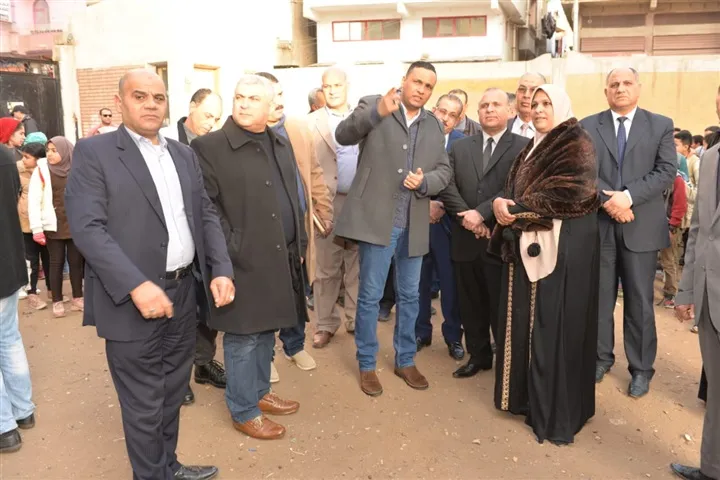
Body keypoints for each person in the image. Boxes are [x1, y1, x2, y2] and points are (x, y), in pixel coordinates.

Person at [65, 69, 234, 480]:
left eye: (158, 98)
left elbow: (205, 213)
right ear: (120, 102)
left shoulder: (183, 154)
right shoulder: (95, 152)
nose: (151, 105)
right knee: (143, 403)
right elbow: (87, 228)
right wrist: (136, 285)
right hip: (131, 301)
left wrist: (220, 268)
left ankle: (168, 467)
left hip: (183, 293)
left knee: (172, 393)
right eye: (139, 96)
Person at [191, 74, 305, 441]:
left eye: (254, 98)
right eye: (239, 96)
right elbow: (206, 209)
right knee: (243, 335)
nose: (243, 103)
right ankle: (243, 410)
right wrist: (230, 251)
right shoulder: (209, 147)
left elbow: (292, 196)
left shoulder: (279, 142)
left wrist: (299, 246)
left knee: (267, 330)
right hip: (239, 259)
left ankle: (258, 391)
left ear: (271, 105)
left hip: (280, 255)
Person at [490, 84, 600, 445]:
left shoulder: (576, 141)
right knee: (530, 324)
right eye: (534, 103)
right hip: (531, 243)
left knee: (553, 328)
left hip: (563, 250)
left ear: (561, 106)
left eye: (546, 103)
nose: (538, 109)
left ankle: (553, 412)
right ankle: (526, 399)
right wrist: (501, 204)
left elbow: (572, 193)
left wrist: (514, 209)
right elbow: (513, 191)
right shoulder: (532, 147)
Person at [334, 60, 452, 396]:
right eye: (417, 82)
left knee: (411, 296)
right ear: (404, 80)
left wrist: (426, 182)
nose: (421, 90)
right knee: (370, 296)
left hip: (414, 224)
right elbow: (343, 134)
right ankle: (367, 364)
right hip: (378, 221)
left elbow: (444, 170)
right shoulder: (376, 104)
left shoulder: (434, 125)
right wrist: (376, 113)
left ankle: (405, 360)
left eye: (428, 86)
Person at [582, 67, 677, 398]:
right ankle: (600, 358)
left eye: (626, 83)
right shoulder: (588, 126)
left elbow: (666, 171)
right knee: (599, 299)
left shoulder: (660, 125)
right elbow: (583, 171)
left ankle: (640, 369)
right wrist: (609, 201)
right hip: (600, 226)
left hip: (642, 227)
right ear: (606, 91)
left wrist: (628, 196)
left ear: (638, 87)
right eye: (614, 84)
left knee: (639, 302)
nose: (620, 88)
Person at [440, 88, 529, 378]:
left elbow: (516, 188)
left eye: (496, 104)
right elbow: (447, 185)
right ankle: (478, 356)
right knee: (470, 303)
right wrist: (468, 217)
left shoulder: (523, 147)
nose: (489, 109)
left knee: (501, 306)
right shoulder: (460, 147)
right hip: (465, 237)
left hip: (501, 241)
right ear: (476, 113)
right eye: (484, 105)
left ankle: (506, 362)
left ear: (510, 111)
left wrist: (481, 213)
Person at [256, 71, 333, 378]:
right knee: (264, 296)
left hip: (296, 232)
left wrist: (323, 209)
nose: (279, 101)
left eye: (280, 94)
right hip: (261, 236)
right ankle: (264, 356)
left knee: (296, 291)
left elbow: (314, 172)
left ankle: (294, 345)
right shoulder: (245, 134)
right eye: (271, 96)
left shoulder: (298, 129)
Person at [160, 88, 225, 406]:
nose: (211, 123)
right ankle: (178, 375)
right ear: (191, 108)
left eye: (217, 118)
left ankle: (203, 363)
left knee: (208, 307)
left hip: (208, 235)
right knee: (177, 312)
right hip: (175, 242)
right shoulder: (166, 142)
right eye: (208, 115)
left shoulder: (215, 145)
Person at [670, 84, 720, 480]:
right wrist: (686, 290)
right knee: (716, 392)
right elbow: (701, 230)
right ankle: (712, 468)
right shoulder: (713, 157)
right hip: (709, 298)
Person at [307, 67, 360, 348]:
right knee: (326, 268)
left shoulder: (362, 119)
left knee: (357, 265)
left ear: (347, 85)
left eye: (337, 85)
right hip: (327, 203)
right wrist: (314, 206)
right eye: (327, 86)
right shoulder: (311, 123)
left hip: (359, 202)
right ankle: (325, 324)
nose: (332, 91)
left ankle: (355, 320)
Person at [415, 93, 466, 360]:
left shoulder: (462, 144)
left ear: (458, 120)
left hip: (448, 225)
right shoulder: (414, 138)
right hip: (417, 220)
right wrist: (425, 206)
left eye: (452, 115)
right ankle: (420, 332)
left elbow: (464, 184)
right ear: (433, 110)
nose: (445, 118)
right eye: (441, 111)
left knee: (450, 283)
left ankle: (453, 336)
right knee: (418, 282)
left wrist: (442, 205)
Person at [0, 144, 36, 454]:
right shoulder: (4, 155)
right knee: (9, 338)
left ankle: (4, 427)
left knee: (9, 338)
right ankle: (23, 411)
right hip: (8, 262)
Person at [27, 136, 85, 318]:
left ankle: (77, 297)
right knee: (56, 262)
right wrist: (37, 228)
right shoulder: (42, 170)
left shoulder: (78, 168)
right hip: (53, 224)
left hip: (74, 223)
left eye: (54, 150)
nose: (50, 154)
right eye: (48, 150)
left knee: (76, 262)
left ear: (65, 151)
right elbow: (34, 201)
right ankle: (57, 300)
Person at [17, 142, 50, 310]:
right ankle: (32, 293)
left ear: (38, 159)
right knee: (32, 260)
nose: (23, 160)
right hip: (26, 223)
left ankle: (52, 290)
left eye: (27, 157)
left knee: (49, 258)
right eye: (23, 156)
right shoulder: (18, 173)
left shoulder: (48, 172)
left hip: (46, 222)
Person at [509, 73, 546, 139]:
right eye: (522, 89)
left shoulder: (553, 132)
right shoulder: (501, 128)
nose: (526, 95)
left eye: (533, 90)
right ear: (516, 93)